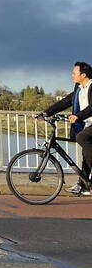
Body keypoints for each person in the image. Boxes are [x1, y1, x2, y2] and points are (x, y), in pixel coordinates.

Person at [38, 61, 92, 195]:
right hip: (88, 124)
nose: (72, 75)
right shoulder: (79, 88)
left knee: (82, 137)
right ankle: (84, 185)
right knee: (86, 152)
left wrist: (78, 116)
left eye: (74, 73)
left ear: (83, 75)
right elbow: (66, 101)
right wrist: (46, 113)